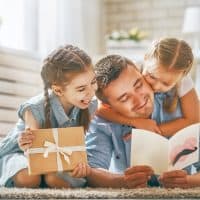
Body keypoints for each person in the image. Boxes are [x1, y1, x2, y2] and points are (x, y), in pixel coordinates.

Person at [85, 54, 200, 188]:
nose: (140, 100)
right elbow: (91, 171)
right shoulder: (102, 121)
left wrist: (190, 181)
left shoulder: (179, 104)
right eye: (124, 98)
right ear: (108, 106)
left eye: (138, 85)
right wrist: (121, 181)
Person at [0, 45, 97, 188]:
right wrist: (26, 142)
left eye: (93, 82)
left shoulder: (90, 105)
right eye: (81, 89)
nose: (91, 92)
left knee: (54, 178)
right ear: (58, 90)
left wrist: (80, 163)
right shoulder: (34, 108)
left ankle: (47, 180)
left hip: (62, 156)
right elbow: (33, 152)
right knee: (29, 178)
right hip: (23, 155)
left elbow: (80, 144)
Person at [96, 38, 200, 137]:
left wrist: (149, 132)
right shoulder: (132, 69)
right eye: (152, 76)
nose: (155, 86)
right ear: (145, 58)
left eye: (166, 84)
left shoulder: (183, 81)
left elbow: (194, 119)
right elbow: (100, 108)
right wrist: (136, 122)